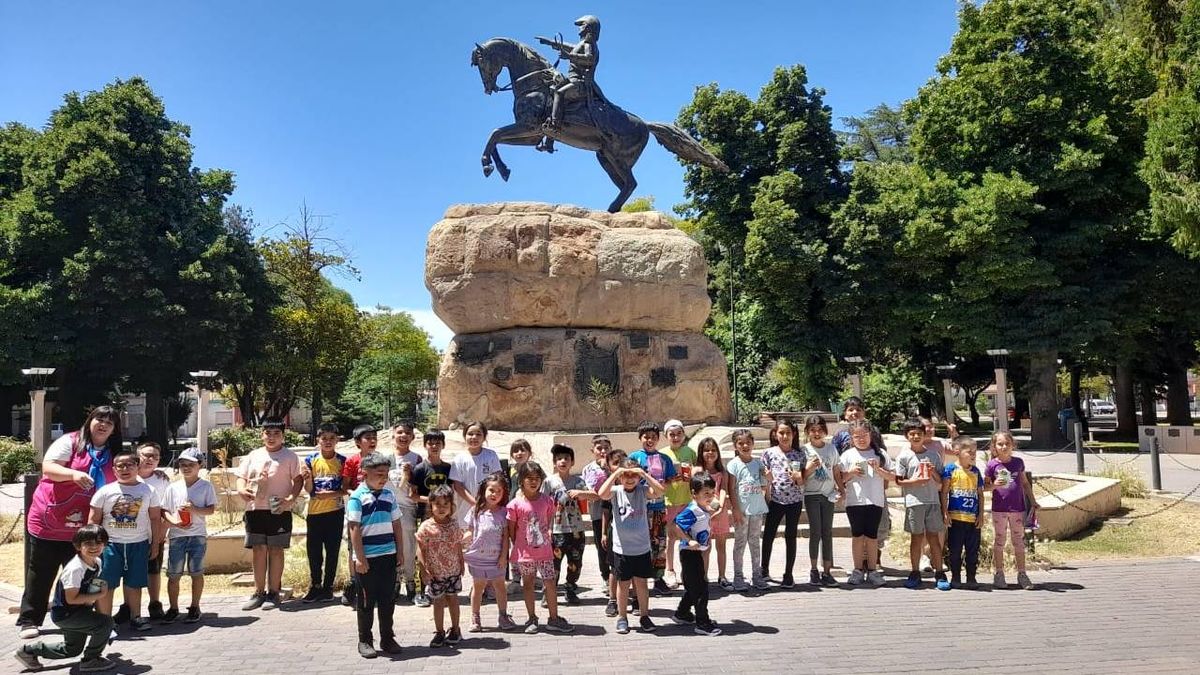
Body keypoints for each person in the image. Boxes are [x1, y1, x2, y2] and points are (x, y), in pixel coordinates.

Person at [21, 406, 121, 640]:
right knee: (42, 571)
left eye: (110, 422)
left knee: (85, 575)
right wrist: (72, 475)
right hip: (52, 519)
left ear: (115, 429)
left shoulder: (113, 451)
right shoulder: (71, 441)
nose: (103, 424)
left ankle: (82, 620)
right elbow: (48, 467)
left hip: (86, 527)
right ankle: (29, 619)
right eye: (99, 419)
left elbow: (126, 474)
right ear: (90, 420)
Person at [13, 524, 117, 673]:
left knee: (72, 649)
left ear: (105, 544)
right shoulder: (75, 569)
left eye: (99, 543)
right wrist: (99, 596)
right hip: (66, 615)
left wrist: (95, 596)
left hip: (79, 612)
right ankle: (91, 659)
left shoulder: (97, 562)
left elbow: (92, 585)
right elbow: (72, 599)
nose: (94, 547)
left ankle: (28, 651)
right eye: (88, 543)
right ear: (78, 546)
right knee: (105, 623)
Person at [87, 447, 162, 632]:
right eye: (119, 466)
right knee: (105, 583)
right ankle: (105, 621)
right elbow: (93, 520)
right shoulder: (105, 491)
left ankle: (135, 616)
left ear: (137, 466)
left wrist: (155, 544)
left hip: (138, 544)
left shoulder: (149, 490)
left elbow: (154, 518)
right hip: (110, 546)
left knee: (134, 583)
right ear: (114, 470)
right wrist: (93, 546)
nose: (124, 469)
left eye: (129, 465)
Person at [236, 418, 304, 611]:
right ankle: (258, 592)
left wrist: (290, 499)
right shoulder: (253, 455)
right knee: (258, 549)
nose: (272, 437)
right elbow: (241, 478)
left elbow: (297, 480)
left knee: (275, 550)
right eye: (268, 433)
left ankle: (274, 592)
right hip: (255, 510)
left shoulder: (290, 457)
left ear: (283, 436)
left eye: (276, 434)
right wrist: (242, 490)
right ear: (262, 435)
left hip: (279, 510)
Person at [347, 452, 405, 658]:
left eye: (386, 474)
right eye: (379, 474)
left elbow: (396, 524)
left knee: (387, 599)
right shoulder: (357, 497)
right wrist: (359, 558)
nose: (384, 478)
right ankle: (365, 640)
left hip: (388, 556)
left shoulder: (389, 495)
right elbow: (354, 528)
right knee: (366, 601)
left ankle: (387, 638)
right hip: (367, 559)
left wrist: (400, 551)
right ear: (365, 473)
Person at [597, 458, 665, 634]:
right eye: (625, 475)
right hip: (622, 549)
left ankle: (644, 615)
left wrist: (644, 474)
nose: (629, 479)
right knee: (623, 584)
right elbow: (601, 493)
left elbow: (659, 491)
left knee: (641, 584)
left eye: (633, 475)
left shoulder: (643, 491)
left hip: (641, 548)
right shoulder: (616, 491)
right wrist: (615, 474)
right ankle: (622, 617)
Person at [508, 461, 574, 634]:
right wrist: (520, 545)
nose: (533, 481)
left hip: (545, 552)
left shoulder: (546, 500)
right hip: (525, 554)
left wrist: (549, 532)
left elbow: (549, 517)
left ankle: (554, 618)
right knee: (528, 584)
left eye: (537, 478)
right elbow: (511, 529)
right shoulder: (515, 504)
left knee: (550, 583)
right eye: (529, 478)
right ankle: (532, 618)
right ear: (521, 480)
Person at [161, 448, 216, 623]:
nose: (186, 468)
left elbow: (211, 509)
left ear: (199, 465)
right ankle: (173, 607)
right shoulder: (173, 487)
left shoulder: (206, 486)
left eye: (191, 465)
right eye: (183, 465)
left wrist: (194, 510)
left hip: (197, 535)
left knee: (196, 572)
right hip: (177, 535)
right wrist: (174, 522)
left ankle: (195, 606)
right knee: (174, 574)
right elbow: (164, 510)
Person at [839, 420, 894, 587]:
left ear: (871, 435)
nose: (861, 439)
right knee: (857, 536)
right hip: (854, 501)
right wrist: (850, 473)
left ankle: (872, 570)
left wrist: (879, 470)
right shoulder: (847, 455)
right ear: (851, 438)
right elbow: (839, 479)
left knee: (872, 536)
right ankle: (857, 570)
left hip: (875, 500)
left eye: (864, 435)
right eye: (857, 436)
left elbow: (892, 477)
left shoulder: (880, 454)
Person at [895, 419, 948, 590]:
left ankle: (939, 572)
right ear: (906, 436)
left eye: (919, 433)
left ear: (925, 435)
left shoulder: (933, 456)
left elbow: (942, 481)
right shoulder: (904, 456)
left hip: (932, 501)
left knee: (934, 538)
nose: (916, 436)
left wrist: (932, 474)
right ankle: (915, 572)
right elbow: (899, 481)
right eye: (912, 434)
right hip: (914, 502)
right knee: (916, 538)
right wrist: (916, 480)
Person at [537, 14, 602, 150]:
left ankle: (554, 127)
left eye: (582, 25)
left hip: (581, 83)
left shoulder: (589, 44)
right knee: (551, 90)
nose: (580, 28)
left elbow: (589, 59)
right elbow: (568, 46)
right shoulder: (582, 43)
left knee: (559, 93)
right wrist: (549, 42)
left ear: (589, 28)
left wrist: (569, 56)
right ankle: (549, 141)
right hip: (572, 79)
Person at [300, 423, 347, 603]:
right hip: (314, 513)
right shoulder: (310, 460)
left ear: (337, 440)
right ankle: (315, 585)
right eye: (324, 438)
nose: (328, 442)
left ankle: (328, 587)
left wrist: (331, 494)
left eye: (331, 438)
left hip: (335, 512)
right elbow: (309, 489)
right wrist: (308, 479)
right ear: (317, 440)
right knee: (314, 552)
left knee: (332, 551)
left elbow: (345, 489)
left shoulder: (342, 461)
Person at [629, 421, 677, 595]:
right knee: (640, 544)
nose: (650, 440)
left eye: (653, 437)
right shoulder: (634, 457)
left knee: (660, 544)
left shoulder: (664, 458)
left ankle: (658, 578)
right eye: (646, 437)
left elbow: (671, 479)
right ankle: (638, 579)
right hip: (640, 508)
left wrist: (668, 482)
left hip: (658, 507)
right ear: (640, 438)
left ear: (658, 439)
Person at [671, 472, 721, 636]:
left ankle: (682, 613)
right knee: (701, 589)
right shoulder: (692, 510)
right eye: (706, 493)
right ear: (694, 493)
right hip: (689, 553)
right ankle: (702, 623)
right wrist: (688, 540)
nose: (710, 496)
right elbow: (676, 526)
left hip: (697, 553)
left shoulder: (702, 508)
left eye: (712, 492)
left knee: (694, 586)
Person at [465, 473, 515, 633]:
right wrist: (462, 539)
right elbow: (470, 531)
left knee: (500, 587)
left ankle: (503, 615)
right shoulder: (475, 511)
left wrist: (503, 557)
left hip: (496, 559)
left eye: (499, 491)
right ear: (484, 491)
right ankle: (475, 616)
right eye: (491, 490)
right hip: (478, 558)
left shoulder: (503, 512)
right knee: (478, 587)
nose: (494, 494)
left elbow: (505, 537)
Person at [986, 431, 1036, 590]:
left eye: (1007, 443)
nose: (1004, 447)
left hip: (1017, 508)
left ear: (1012, 445)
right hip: (999, 509)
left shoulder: (1018, 463)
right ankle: (999, 574)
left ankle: (1022, 573)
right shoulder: (992, 465)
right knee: (1000, 539)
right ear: (994, 447)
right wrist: (995, 485)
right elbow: (985, 486)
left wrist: (1033, 501)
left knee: (1018, 541)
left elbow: (1025, 483)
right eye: (1000, 444)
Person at [760, 420, 807, 588]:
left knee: (791, 536)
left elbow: (802, 481)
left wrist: (798, 477)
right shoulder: (768, 453)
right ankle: (764, 569)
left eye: (788, 433)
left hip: (794, 501)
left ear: (794, 434)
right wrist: (766, 481)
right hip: (775, 500)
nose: (785, 436)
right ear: (775, 434)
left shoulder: (799, 455)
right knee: (769, 535)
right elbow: (763, 477)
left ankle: (788, 573)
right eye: (781, 433)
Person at [545, 444, 594, 605]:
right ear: (554, 463)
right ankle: (550, 592)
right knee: (554, 564)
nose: (563, 461)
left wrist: (581, 493)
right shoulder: (549, 482)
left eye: (566, 458)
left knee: (575, 562)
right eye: (559, 459)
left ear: (572, 462)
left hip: (576, 530)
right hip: (557, 529)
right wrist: (547, 528)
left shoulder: (578, 481)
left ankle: (571, 588)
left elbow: (595, 495)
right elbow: (543, 505)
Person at [418, 486, 465, 647]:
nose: (442, 508)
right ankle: (439, 631)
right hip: (435, 573)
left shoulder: (453, 524)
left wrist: (461, 562)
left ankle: (456, 629)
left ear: (451, 506)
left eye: (446, 504)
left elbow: (458, 544)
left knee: (453, 599)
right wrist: (423, 569)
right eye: (438, 504)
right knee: (438, 602)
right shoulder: (426, 526)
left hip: (453, 571)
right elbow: (420, 549)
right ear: (431, 505)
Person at [410, 430, 451, 608]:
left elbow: (451, 493)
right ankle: (421, 591)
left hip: (444, 517)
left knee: (442, 551)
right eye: (430, 443)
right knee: (422, 552)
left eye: (437, 443)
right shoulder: (419, 469)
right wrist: (434, 501)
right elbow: (413, 495)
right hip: (424, 515)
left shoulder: (448, 468)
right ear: (425, 445)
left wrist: (443, 506)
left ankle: (443, 586)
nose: (434, 446)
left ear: (443, 445)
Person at [340, 424, 379, 608]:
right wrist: (356, 493)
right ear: (357, 442)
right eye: (367, 438)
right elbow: (345, 486)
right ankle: (354, 584)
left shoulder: (380, 460)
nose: (372, 441)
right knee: (353, 545)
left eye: (374, 437)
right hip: (357, 509)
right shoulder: (352, 461)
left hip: (376, 509)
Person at [726, 429, 769, 594]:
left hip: (757, 509)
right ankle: (738, 576)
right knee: (740, 543)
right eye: (741, 443)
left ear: (753, 444)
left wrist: (768, 478)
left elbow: (765, 483)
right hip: (742, 511)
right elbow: (731, 488)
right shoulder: (733, 464)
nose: (745, 446)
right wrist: (735, 509)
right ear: (735, 445)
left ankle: (757, 574)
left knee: (755, 542)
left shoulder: (758, 463)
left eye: (748, 443)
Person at [131, 442, 170, 623]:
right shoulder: (127, 476)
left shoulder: (162, 479)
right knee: (131, 572)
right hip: (130, 534)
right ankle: (129, 607)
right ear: (137, 455)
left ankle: (155, 603)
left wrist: (163, 530)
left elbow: (167, 508)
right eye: (146, 455)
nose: (150, 459)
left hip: (153, 533)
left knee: (154, 570)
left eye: (155, 456)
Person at [801, 415, 841, 587]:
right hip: (812, 494)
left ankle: (827, 570)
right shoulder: (804, 450)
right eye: (813, 431)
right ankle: (813, 569)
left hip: (828, 494)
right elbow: (800, 476)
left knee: (827, 532)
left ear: (825, 431)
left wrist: (842, 488)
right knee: (815, 531)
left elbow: (836, 470)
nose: (816, 434)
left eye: (819, 430)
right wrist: (810, 468)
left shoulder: (831, 449)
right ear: (808, 432)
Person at [941, 436, 984, 589]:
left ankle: (971, 577)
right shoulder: (950, 470)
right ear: (957, 451)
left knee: (973, 550)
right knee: (955, 550)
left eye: (975, 451)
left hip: (972, 519)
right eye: (969, 451)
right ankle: (956, 577)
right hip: (956, 518)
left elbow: (980, 494)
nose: (973, 454)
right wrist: (945, 512)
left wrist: (980, 515)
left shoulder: (976, 471)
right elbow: (945, 492)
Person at [388, 421, 424, 603]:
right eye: (399, 432)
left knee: (409, 547)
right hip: (388, 510)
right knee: (392, 548)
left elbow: (417, 488)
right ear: (393, 435)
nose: (403, 436)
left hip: (408, 509)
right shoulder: (385, 459)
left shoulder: (417, 459)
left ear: (412, 437)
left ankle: (410, 581)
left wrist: (409, 476)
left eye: (407, 432)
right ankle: (394, 582)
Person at [660, 419, 696, 589]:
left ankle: (686, 571)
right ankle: (669, 569)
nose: (675, 437)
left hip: (687, 500)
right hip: (669, 501)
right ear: (666, 436)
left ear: (683, 435)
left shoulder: (690, 452)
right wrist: (669, 479)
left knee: (686, 536)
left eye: (679, 434)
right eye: (671, 434)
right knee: (670, 537)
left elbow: (697, 472)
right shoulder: (662, 453)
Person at [450, 421, 504, 527]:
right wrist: (475, 503)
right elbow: (458, 486)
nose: (474, 437)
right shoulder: (459, 459)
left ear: (484, 437)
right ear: (464, 436)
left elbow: (498, 480)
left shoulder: (491, 455)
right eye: (470, 434)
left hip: (489, 505)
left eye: (478, 434)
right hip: (466, 507)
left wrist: (488, 501)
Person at [695, 437, 732, 589]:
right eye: (706, 450)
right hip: (704, 513)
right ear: (701, 453)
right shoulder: (697, 471)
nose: (710, 453)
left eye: (713, 450)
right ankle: (703, 577)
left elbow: (723, 488)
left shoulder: (722, 472)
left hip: (720, 512)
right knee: (705, 547)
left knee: (721, 546)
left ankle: (722, 576)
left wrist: (721, 505)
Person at [580, 435, 612, 593]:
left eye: (606, 448)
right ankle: (606, 577)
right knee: (602, 547)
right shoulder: (588, 469)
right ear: (593, 450)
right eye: (599, 448)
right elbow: (593, 492)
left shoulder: (616, 465)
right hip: (598, 514)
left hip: (618, 514)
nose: (603, 451)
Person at [598, 448, 626, 617]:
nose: (619, 467)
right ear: (609, 467)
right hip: (614, 531)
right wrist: (603, 533)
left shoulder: (634, 484)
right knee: (614, 568)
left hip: (632, 533)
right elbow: (605, 511)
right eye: (615, 463)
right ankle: (612, 599)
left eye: (621, 462)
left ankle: (635, 598)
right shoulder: (611, 487)